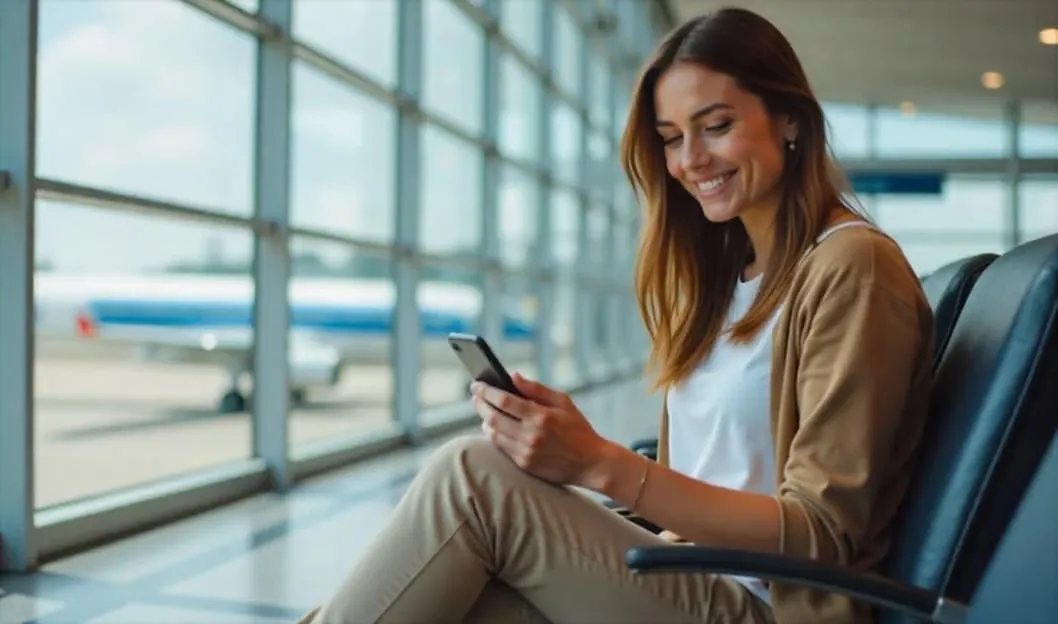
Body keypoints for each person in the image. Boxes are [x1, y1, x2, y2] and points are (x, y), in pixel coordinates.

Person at [298, 6, 933, 624]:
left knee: (471, 477)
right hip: (679, 574)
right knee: (443, 595)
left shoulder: (852, 267)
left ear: (790, 119)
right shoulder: (731, 277)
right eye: (671, 139)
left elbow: (821, 533)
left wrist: (600, 463)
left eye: (715, 126)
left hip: (768, 605)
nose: (689, 161)